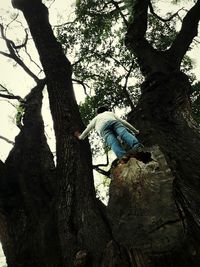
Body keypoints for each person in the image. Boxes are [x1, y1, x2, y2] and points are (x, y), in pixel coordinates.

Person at [75, 106, 141, 159]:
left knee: (113, 143)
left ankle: (122, 156)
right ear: (106, 110)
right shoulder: (109, 113)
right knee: (123, 133)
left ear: (97, 113)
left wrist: (80, 137)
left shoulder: (96, 118)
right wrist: (136, 131)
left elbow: (87, 129)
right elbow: (123, 122)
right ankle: (137, 146)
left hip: (103, 129)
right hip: (113, 122)